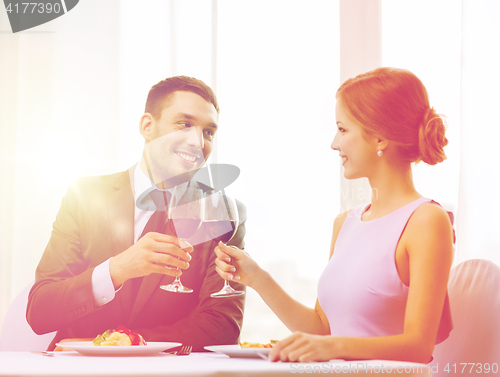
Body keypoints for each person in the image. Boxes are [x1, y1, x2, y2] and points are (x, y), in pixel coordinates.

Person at [214, 67, 454, 363]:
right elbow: (323, 330)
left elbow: (418, 347)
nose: (334, 143)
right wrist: (257, 278)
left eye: (342, 129)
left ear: (380, 138)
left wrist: (335, 347)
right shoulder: (345, 223)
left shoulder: (427, 221)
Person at [27, 76, 247, 351]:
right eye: (184, 124)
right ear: (147, 126)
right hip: (78, 369)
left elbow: (222, 325)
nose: (198, 141)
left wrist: (120, 343)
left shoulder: (222, 212)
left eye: (208, 132)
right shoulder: (84, 195)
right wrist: (116, 270)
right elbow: (40, 311)